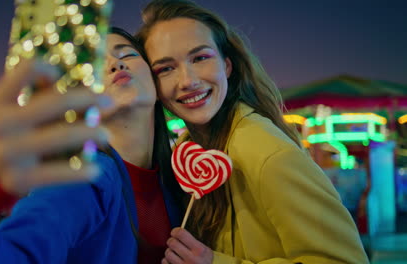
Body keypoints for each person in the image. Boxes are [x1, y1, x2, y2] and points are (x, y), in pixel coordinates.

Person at [136, 0, 370, 263]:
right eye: (166, 68)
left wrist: (214, 262)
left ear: (226, 66)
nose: (188, 81)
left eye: (200, 57)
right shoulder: (188, 153)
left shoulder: (270, 155)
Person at [0, 27, 183, 264]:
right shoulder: (85, 178)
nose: (115, 64)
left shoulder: (179, 176)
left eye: (127, 54)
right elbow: (15, 254)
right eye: (96, 63)